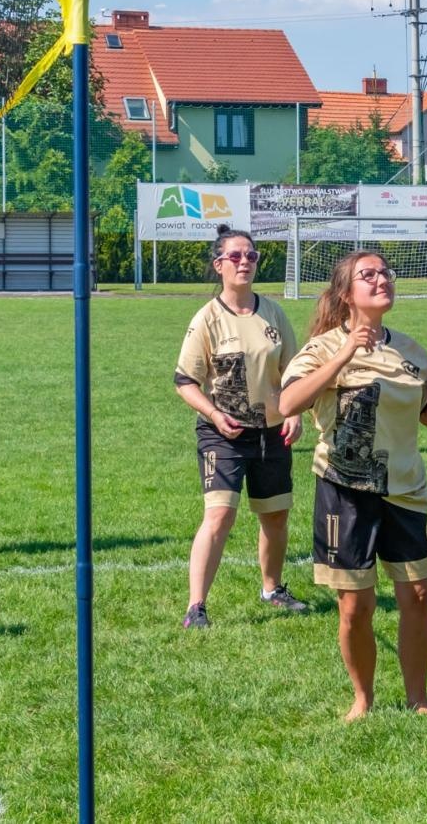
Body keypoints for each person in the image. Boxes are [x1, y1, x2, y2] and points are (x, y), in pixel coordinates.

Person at [278, 252, 427, 722]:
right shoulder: (324, 347)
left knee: (417, 596)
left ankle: (418, 698)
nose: (381, 279)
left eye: (385, 272)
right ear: (347, 294)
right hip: (344, 490)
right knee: (356, 606)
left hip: (405, 491)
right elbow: (287, 402)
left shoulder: (410, 350)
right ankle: (362, 699)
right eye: (369, 275)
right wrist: (344, 355)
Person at [174, 226, 306, 628]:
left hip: (272, 431)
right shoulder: (207, 318)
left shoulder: (273, 313)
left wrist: (295, 411)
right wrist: (215, 415)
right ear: (219, 265)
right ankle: (196, 606)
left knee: (275, 515)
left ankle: (272, 589)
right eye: (235, 256)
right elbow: (184, 381)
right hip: (222, 434)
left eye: (251, 255)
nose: (245, 262)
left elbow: (294, 371)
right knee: (219, 516)